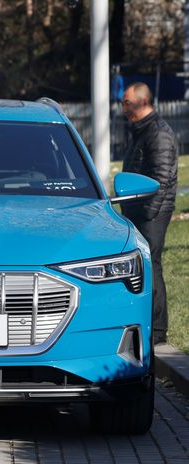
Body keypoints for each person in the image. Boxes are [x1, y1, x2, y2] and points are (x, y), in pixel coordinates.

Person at [120, 82, 178, 345]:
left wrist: (148, 215)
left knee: (151, 266)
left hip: (151, 215)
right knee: (145, 268)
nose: (123, 109)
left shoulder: (158, 134)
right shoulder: (140, 131)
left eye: (126, 103)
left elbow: (162, 179)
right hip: (138, 213)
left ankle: (157, 331)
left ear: (142, 103)